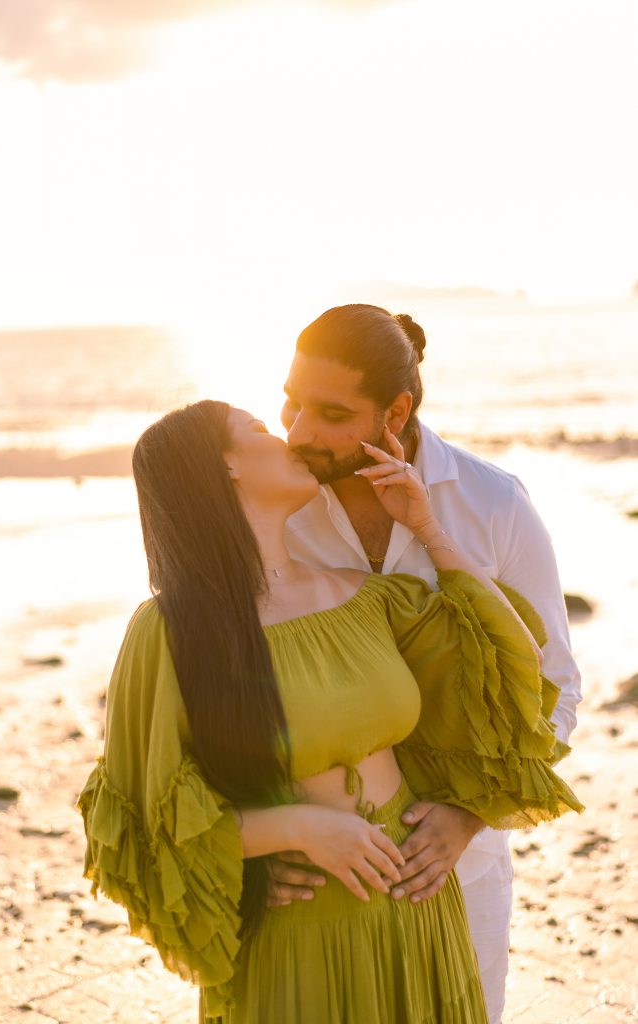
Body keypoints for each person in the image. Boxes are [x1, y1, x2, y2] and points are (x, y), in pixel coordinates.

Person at [78, 399, 581, 1023]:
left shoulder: (372, 601)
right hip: (297, 931)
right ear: (226, 467)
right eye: (259, 428)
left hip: (419, 908)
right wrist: (294, 829)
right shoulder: (170, 632)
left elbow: (516, 673)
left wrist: (426, 526)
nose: (288, 435)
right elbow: (142, 827)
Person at [272, 303, 583, 1023]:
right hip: (321, 880)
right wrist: (268, 841)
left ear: (397, 411)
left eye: (330, 412)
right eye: (290, 403)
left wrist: (470, 815)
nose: (298, 433)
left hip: (461, 874)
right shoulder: (279, 510)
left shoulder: (492, 504)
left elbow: (557, 689)